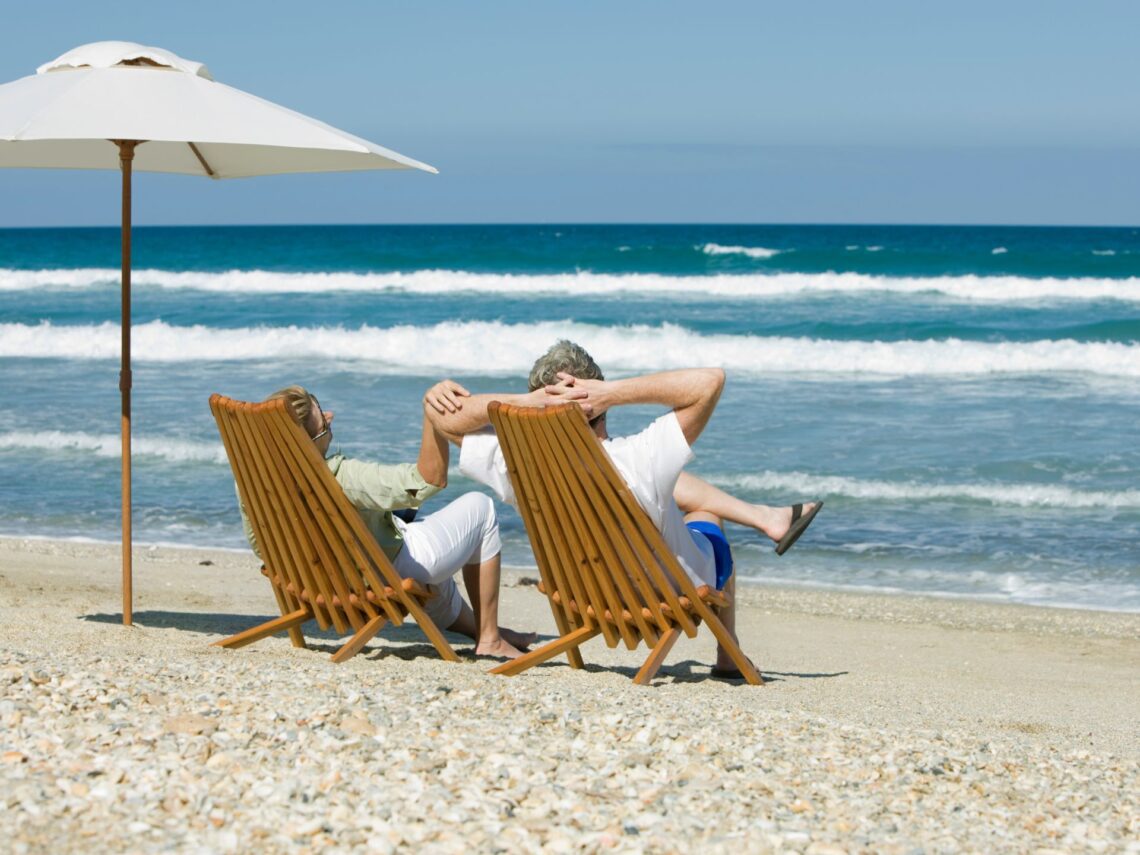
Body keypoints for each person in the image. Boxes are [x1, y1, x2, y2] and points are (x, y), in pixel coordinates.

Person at [422, 340, 822, 678]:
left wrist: (524, 403)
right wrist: (610, 392)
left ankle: (767, 518)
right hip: (664, 594)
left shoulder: (515, 465)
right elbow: (710, 380)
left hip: (584, 597)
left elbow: (445, 419)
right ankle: (727, 652)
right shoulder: (640, 456)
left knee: (670, 489)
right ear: (597, 401)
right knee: (705, 519)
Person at [238, 384, 535, 660]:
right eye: (323, 424)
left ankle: (487, 630)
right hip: (377, 576)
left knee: (432, 561)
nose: (331, 416)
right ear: (306, 445)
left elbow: (260, 547)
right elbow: (427, 480)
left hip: (322, 581)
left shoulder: (252, 481)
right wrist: (433, 418)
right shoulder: (340, 478)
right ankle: (490, 640)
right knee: (480, 508)